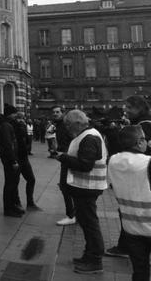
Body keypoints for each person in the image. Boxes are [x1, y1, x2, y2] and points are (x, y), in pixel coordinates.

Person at [54, 109, 107, 274]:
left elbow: (85, 165)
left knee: (90, 224)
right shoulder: (86, 135)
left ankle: (95, 260)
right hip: (84, 188)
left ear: (78, 123)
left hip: (88, 188)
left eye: (68, 125)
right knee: (86, 222)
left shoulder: (89, 137)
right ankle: (89, 255)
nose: (67, 128)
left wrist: (62, 157)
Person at [105, 95, 151, 258]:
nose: (126, 110)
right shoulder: (142, 124)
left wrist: (114, 134)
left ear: (139, 108)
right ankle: (125, 246)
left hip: (141, 176)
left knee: (132, 213)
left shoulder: (143, 126)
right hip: (141, 175)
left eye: (129, 107)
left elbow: (133, 149)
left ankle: (127, 247)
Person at [107, 125, 151, 281]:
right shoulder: (147, 162)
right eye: (145, 138)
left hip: (131, 228)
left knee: (140, 271)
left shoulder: (113, 161)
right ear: (139, 142)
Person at [0, 106, 23, 217]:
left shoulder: (6, 125)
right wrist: (13, 161)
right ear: (9, 114)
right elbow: (8, 144)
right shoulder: (6, 126)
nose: (15, 115)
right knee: (10, 184)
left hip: (9, 158)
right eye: (14, 113)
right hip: (9, 159)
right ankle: (8, 209)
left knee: (13, 183)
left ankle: (13, 206)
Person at [52, 105, 76, 227]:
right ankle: (75, 213)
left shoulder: (65, 125)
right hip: (66, 158)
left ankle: (71, 215)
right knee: (69, 186)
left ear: (63, 113)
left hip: (68, 159)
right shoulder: (60, 125)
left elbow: (73, 141)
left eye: (57, 112)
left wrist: (63, 154)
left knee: (65, 186)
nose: (55, 114)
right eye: (54, 112)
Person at [15, 112, 41, 211]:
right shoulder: (19, 126)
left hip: (22, 156)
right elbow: (21, 141)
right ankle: (20, 203)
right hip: (19, 157)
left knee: (30, 179)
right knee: (20, 181)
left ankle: (27, 203)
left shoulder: (19, 125)